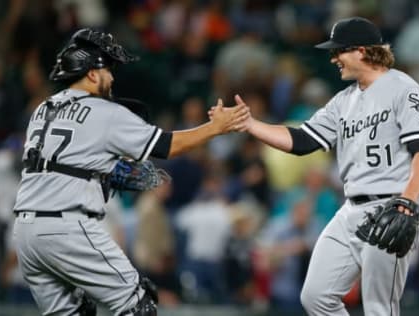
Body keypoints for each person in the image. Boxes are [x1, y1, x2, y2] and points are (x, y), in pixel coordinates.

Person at [12, 28, 248, 316]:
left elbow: (66, 161)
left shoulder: (42, 110)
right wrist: (216, 128)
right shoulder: (103, 111)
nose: (112, 78)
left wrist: (105, 172)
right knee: (138, 305)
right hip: (67, 228)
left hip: (26, 234)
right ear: (91, 73)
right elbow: (166, 145)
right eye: (108, 69)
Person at [228, 17, 419, 315]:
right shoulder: (343, 101)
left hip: (392, 205)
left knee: (380, 307)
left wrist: (408, 200)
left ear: (362, 51)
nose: (334, 58)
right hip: (350, 210)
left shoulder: (405, 89)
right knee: (315, 297)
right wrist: (250, 124)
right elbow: (301, 140)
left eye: (339, 50)